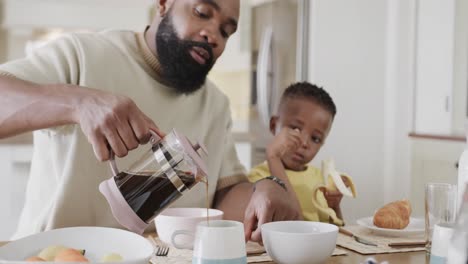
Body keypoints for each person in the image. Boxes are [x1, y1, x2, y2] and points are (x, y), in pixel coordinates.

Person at [0, 0, 300, 242]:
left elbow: (224, 196)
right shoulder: (83, 54)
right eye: (202, 12)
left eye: (226, 31)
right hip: (52, 255)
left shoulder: (216, 104)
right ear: (163, 3)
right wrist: (78, 102)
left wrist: (265, 189)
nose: (213, 36)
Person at [247, 82, 346, 223]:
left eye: (315, 138)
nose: (304, 143)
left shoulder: (321, 179)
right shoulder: (258, 178)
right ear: (274, 125)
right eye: (295, 129)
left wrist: (334, 207)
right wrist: (273, 157)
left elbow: (338, 233)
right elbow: (294, 224)